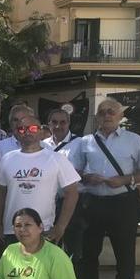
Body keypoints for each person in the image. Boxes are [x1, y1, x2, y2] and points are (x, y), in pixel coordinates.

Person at [74, 98, 140, 279]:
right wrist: (86, 177)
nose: (107, 115)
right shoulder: (85, 142)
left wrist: (124, 179)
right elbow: (75, 172)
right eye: (102, 112)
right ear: (97, 117)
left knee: (125, 259)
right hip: (93, 203)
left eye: (111, 112)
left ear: (120, 117)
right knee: (88, 257)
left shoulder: (133, 140)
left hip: (123, 204)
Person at [0, 115, 80, 257]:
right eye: (22, 129)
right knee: (12, 276)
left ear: (41, 131)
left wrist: (60, 227)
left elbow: (72, 192)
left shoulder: (56, 158)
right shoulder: (7, 159)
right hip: (12, 231)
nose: (27, 132)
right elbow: (0, 193)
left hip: (43, 231)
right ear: (16, 133)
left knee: (42, 277)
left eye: (32, 128)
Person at [43, 108, 85, 265]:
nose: (58, 126)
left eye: (63, 122)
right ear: (48, 124)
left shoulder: (79, 143)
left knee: (71, 250)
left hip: (71, 202)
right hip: (48, 203)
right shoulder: (42, 145)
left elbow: (88, 170)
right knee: (48, 247)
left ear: (69, 123)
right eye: (54, 122)